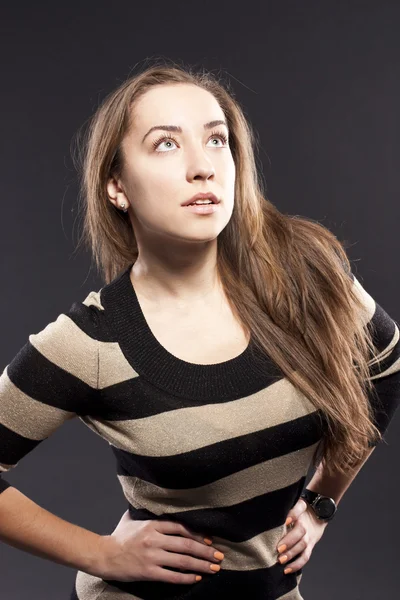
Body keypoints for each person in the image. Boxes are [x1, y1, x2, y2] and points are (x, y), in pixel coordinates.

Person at [0, 60, 399, 600]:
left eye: (217, 141)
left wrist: (323, 500)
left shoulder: (305, 277)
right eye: (166, 144)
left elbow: (386, 368)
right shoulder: (93, 342)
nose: (203, 167)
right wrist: (102, 553)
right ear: (117, 186)